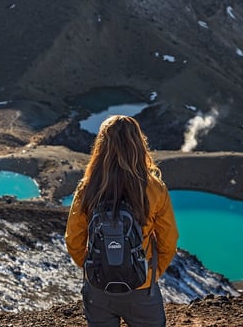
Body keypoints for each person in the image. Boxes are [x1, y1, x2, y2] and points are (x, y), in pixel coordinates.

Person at [65, 115, 179, 327]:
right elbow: (169, 241)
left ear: (101, 146)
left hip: (98, 289)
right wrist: (150, 274)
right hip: (141, 288)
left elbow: (73, 239)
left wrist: (95, 268)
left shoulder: (87, 187)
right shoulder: (154, 187)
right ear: (138, 144)